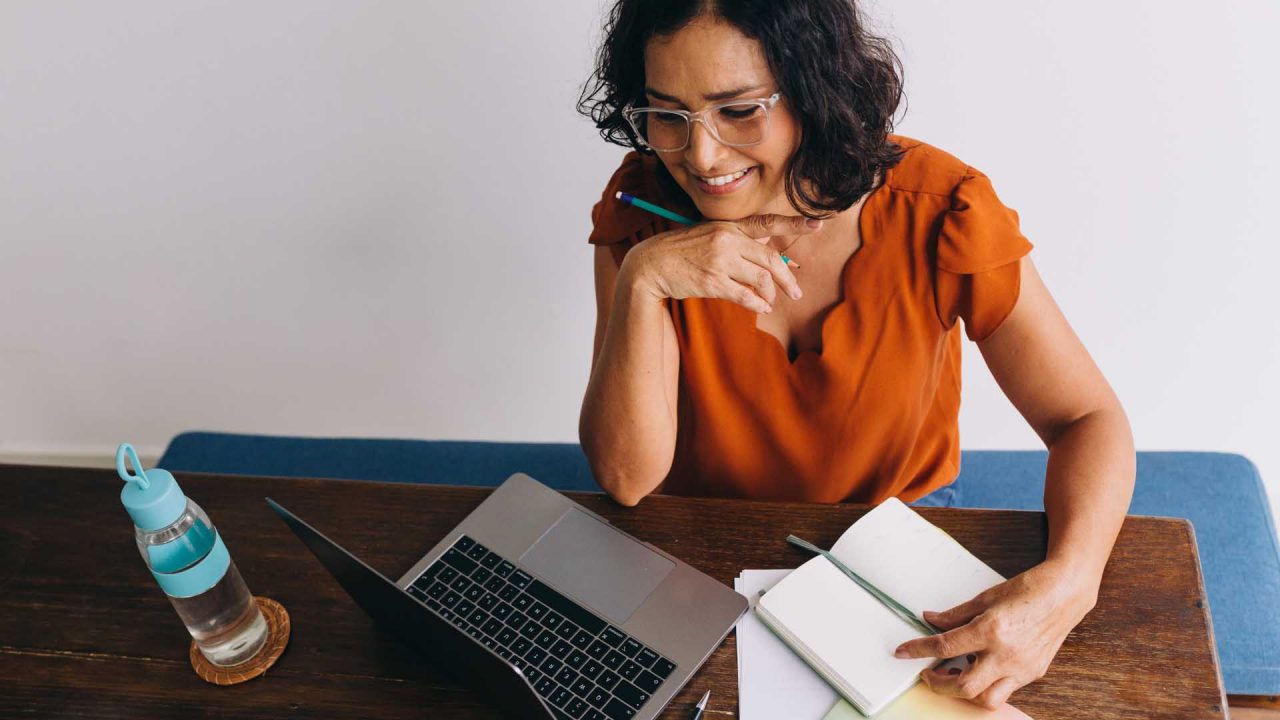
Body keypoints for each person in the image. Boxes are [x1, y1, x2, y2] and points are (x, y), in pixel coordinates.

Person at [576, 0, 1135, 709]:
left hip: (899, 542)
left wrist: (1073, 581)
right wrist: (644, 279)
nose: (702, 155)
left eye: (739, 110)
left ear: (814, 89)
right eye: (667, 114)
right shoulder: (641, 207)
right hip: (704, 543)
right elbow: (626, 481)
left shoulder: (940, 207)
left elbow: (1086, 415)